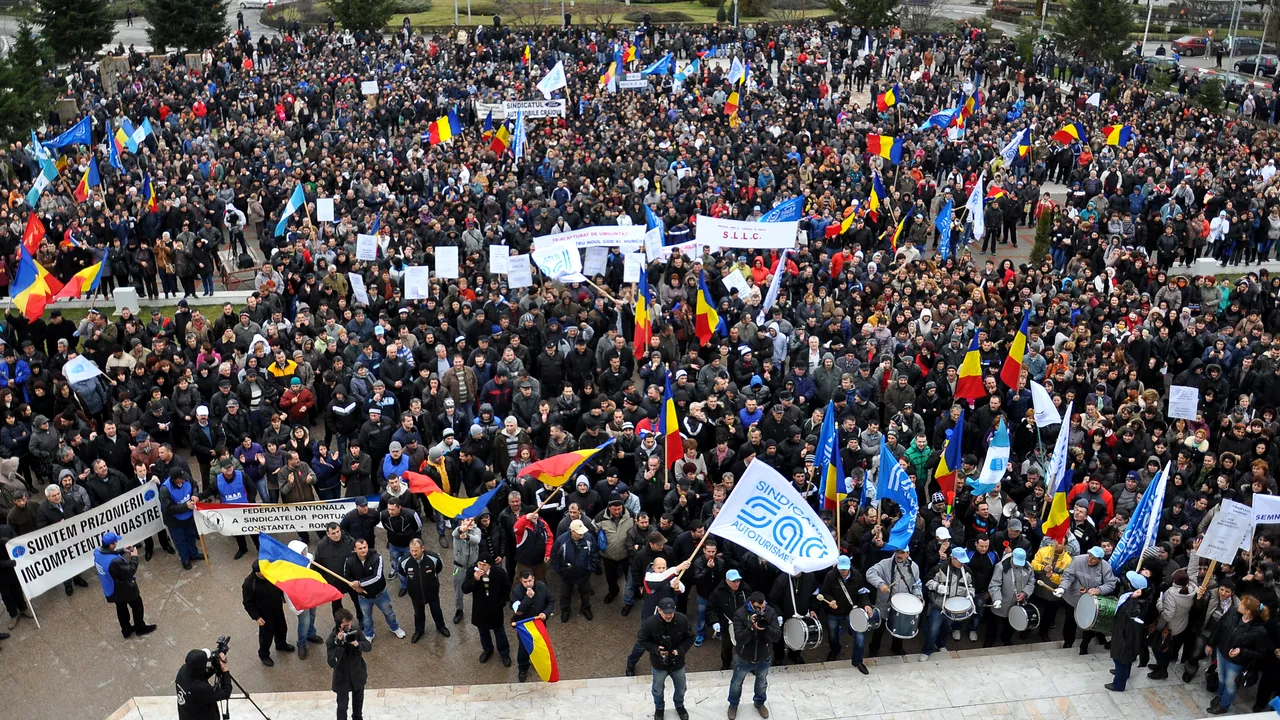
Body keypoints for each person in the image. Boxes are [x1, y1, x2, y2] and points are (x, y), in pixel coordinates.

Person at [1207, 594, 1274, 714]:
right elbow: (1219, 626)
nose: (1238, 604)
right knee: (1221, 677)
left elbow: (1260, 653)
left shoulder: (1259, 631)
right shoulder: (1233, 612)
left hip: (1236, 662)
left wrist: (1241, 651)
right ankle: (1220, 696)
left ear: (1247, 611)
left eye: (1242, 604)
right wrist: (1211, 643)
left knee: (1230, 684)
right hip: (1222, 652)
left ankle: (1224, 705)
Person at [727, 591, 781, 719]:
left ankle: (759, 703)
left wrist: (766, 628)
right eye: (758, 607)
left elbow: (777, 636)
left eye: (763, 607)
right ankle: (733, 705)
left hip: (764, 655)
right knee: (736, 683)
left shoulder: (770, 612)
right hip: (744, 657)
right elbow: (739, 639)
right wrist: (750, 627)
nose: (761, 610)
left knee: (762, 682)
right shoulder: (740, 614)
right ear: (751, 604)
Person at [639, 596, 694, 720]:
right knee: (657, 690)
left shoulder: (682, 620)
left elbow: (690, 638)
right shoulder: (649, 623)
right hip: (659, 664)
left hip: (678, 662)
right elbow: (642, 640)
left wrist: (678, 651)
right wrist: (656, 649)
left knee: (681, 688)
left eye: (671, 612)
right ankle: (659, 708)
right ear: (659, 610)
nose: (669, 616)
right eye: (665, 613)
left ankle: (679, 705)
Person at [93, 531, 156, 639]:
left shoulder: (97, 552)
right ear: (111, 545)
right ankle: (140, 628)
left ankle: (126, 630)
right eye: (116, 542)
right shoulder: (115, 561)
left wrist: (122, 550)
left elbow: (108, 553)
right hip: (123, 588)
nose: (117, 542)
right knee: (137, 605)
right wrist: (134, 557)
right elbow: (130, 571)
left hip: (110, 587)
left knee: (121, 608)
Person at [1054, 546, 1117, 654]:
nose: (1089, 559)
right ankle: (1068, 641)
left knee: (1089, 624)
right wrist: (1062, 587)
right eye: (1089, 556)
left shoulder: (1106, 567)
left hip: (1091, 601)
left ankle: (1084, 645)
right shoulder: (1077, 560)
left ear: (1100, 560)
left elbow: (1111, 584)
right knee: (1070, 620)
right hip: (1073, 598)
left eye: (1093, 558)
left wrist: (1099, 590)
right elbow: (1068, 575)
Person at [344, 538, 406, 641]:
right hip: (363, 597)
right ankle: (369, 634)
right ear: (355, 549)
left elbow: (377, 577)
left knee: (389, 613)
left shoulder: (377, 558)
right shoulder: (349, 561)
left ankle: (395, 628)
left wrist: (359, 584)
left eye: (365, 547)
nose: (363, 550)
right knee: (366, 618)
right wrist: (355, 588)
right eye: (360, 548)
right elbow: (347, 577)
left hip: (380, 594)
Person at [866, 547, 923, 657]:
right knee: (879, 628)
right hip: (884, 602)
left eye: (902, 553)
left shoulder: (914, 567)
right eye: (897, 552)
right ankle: (874, 648)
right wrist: (880, 583)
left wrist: (919, 597)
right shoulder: (885, 563)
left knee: (900, 626)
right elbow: (870, 573)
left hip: (902, 605)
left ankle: (897, 647)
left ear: (908, 553)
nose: (899, 555)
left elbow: (916, 584)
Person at [820, 555, 871, 673]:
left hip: (851, 612)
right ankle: (835, 650)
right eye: (841, 569)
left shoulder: (857, 576)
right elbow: (824, 592)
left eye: (845, 569)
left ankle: (858, 660)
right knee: (833, 635)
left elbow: (862, 593)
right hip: (833, 612)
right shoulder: (830, 576)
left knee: (860, 636)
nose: (843, 571)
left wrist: (866, 604)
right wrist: (830, 600)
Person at [921, 547, 973, 661]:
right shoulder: (940, 568)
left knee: (947, 628)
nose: (962, 563)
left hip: (953, 607)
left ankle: (941, 645)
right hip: (938, 606)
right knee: (932, 629)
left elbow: (970, 586)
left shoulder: (967, 570)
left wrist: (970, 595)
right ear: (953, 558)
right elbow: (927, 580)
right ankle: (927, 650)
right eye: (960, 561)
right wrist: (937, 587)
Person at [241, 560, 296, 666]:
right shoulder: (249, 584)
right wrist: (256, 617)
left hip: (277, 609)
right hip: (265, 615)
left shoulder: (269, 573)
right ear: (258, 573)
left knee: (282, 629)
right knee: (266, 637)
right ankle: (264, 655)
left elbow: (277, 584)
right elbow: (247, 603)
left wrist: (282, 596)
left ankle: (281, 644)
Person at [463, 557, 512, 667]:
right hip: (480, 610)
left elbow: (507, 588)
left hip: (495, 610)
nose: (481, 567)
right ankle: (487, 649)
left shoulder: (499, 573)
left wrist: (501, 603)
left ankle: (504, 653)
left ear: (490, 565)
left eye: (484, 565)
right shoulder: (472, 571)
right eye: (479, 564)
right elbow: (465, 589)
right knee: (483, 632)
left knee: (499, 632)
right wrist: (475, 580)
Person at [1105, 571, 1149, 692]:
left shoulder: (1136, 602)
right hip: (1125, 632)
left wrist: (1133, 600)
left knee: (1121, 658)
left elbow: (1131, 613)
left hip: (1127, 634)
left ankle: (1118, 684)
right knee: (1124, 658)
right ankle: (1123, 673)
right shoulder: (1137, 596)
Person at [399, 538, 450, 642]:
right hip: (415, 594)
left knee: (436, 610)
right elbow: (402, 572)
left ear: (422, 548)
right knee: (418, 614)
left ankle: (441, 626)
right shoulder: (404, 561)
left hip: (432, 592)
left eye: (416, 550)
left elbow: (439, 568)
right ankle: (419, 630)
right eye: (411, 550)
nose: (413, 553)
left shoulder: (433, 558)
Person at [510, 567, 553, 682]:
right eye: (525, 582)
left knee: (539, 645)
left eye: (530, 581)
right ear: (520, 581)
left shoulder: (542, 587)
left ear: (534, 578)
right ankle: (523, 668)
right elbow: (518, 610)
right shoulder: (516, 592)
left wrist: (545, 613)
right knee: (523, 648)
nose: (528, 584)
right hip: (525, 626)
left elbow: (551, 602)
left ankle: (537, 662)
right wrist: (528, 598)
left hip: (539, 625)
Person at [327, 608, 372, 720]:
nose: (348, 627)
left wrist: (357, 644)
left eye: (349, 624)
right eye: (345, 625)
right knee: (342, 706)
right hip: (342, 678)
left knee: (358, 702)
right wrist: (339, 644)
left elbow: (368, 646)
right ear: (339, 625)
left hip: (357, 673)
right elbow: (332, 662)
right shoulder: (331, 640)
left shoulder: (355, 631)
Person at [551, 518, 598, 622]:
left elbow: (594, 554)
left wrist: (590, 568)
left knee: (586, 593)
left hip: (584, 574)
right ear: (572, 531)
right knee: (565, 595)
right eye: (579, 533)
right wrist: (560, 571)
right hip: (567, 575)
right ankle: (565, 611)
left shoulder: (589, 538)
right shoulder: (561, 541)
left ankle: (586, 609)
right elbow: (555, 558)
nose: (582, 534)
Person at [987, 547, 1036, 647]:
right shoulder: (1001, 567)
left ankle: (1006, 639)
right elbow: (994, 584)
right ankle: (989, 641)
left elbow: (1031, 582)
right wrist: (996, 598)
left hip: (1017, 602)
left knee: (1011, 623)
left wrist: (1024, 593)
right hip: (1002, 601)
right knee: (994, 624)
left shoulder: (1028, 567)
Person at [706, 569, 752, 671]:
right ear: (727, 581)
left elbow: (752, 604)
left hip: (744, 624)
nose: (737, 584)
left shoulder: (745, 589)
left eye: (738, 581)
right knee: (727, 646)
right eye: (734, 581)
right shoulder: (717, 592)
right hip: (727, 624)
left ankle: (749, 663)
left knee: (747, 644)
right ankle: (726, 664)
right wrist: (715, 621)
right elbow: (711, 608)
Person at [286, 540, 325, 660]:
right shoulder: (288, 569)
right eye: (301, 552)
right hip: (300, 600)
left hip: (311, 595)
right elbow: (288, 591)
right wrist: (294, 607)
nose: (304, 553)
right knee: (304, 622)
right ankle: (301, 644)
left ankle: (310, 634)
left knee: (312, 616)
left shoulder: (309, 559)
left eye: (304, 551)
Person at [159, 469, 203, 570]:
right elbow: (168, 508)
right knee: (180, 541)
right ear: (174, 480)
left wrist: (195, 495)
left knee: (191, 536)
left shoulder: (185, 477)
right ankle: (185, 559)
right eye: (181, 479)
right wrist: (185, 506)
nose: (183, 480)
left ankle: (194, 554)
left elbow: (194, 485)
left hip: (189, 517)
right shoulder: (165, 490)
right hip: (174, 521)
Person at [174, 647, 232, 720]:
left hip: (186, 714)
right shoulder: (200, 688)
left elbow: (201, 673)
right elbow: (226, 693)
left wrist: (214, 668)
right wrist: (225, 670)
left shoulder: (183, 670)